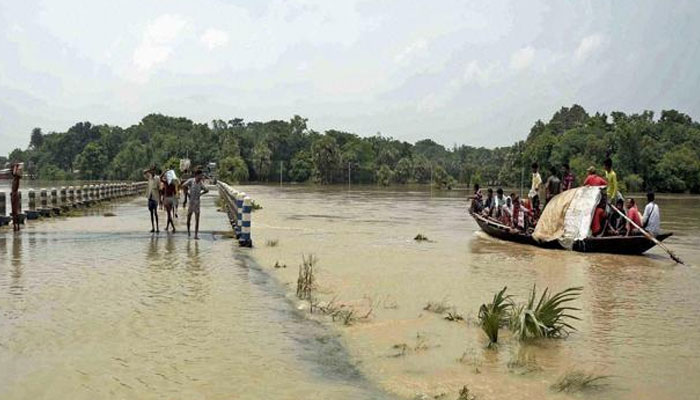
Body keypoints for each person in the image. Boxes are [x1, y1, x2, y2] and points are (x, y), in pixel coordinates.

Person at [182, 169, 210, 239]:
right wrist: (187, 193)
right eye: (201, 175)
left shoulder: (200, 183)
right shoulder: (191, 181)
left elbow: (206, 190)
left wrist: (201, 194)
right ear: (197, 175)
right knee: (188, 218)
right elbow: (183, 185)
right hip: (191, 203)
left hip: (197, 203)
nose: (201, 176)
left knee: (197, 220)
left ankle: (196, 235)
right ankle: (188, 233)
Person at [143, 167, 160, 233]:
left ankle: (157, 228)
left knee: (155, 213)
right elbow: (144, 172)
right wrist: (148, 169)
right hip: (150, 197)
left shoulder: (157, 178)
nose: (152, 172)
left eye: (153, 171)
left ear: (155, 171)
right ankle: (153, 227)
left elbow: (159, 188)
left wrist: (160, 199)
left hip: (155, 197)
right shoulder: (149, 177)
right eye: (151, 171)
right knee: (151, 213)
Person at [10, 163, 22, 231]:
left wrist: (16, 166)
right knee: (14, 212)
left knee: (15, 212)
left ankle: (17, 226)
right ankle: (15, 226)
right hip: (14, 194)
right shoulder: (15, 178)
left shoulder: (17, 177)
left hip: (15, 195)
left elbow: (15, 173)